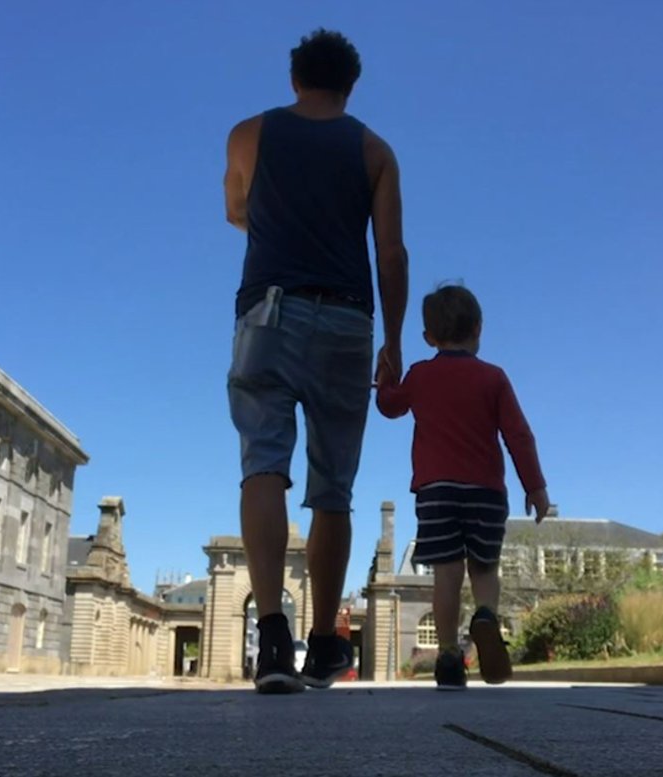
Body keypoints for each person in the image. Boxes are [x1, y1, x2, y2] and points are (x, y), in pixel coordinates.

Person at [223, 29, 409, 694]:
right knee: (333, 486)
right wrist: (393, 340)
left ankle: (272, 633)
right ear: (350, 85)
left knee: (264, 461)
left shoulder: (248, 134)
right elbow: (391, 252)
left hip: (267, 314)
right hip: (348, 319)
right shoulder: (374, 150)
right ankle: (326, 642)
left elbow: (235, 209)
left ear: (295, 77)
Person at [377, 285, 550, 690]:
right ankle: (486, 616)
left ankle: (449, 656)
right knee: (484, 567)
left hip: (436, 491)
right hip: (486, 492)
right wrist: (536, 487)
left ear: (428, 338)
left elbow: (390, 406)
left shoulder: (421, 375)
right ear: (478, 328)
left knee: (447, 574)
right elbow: (518, 435)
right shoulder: (493, 378)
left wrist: (384, 373)